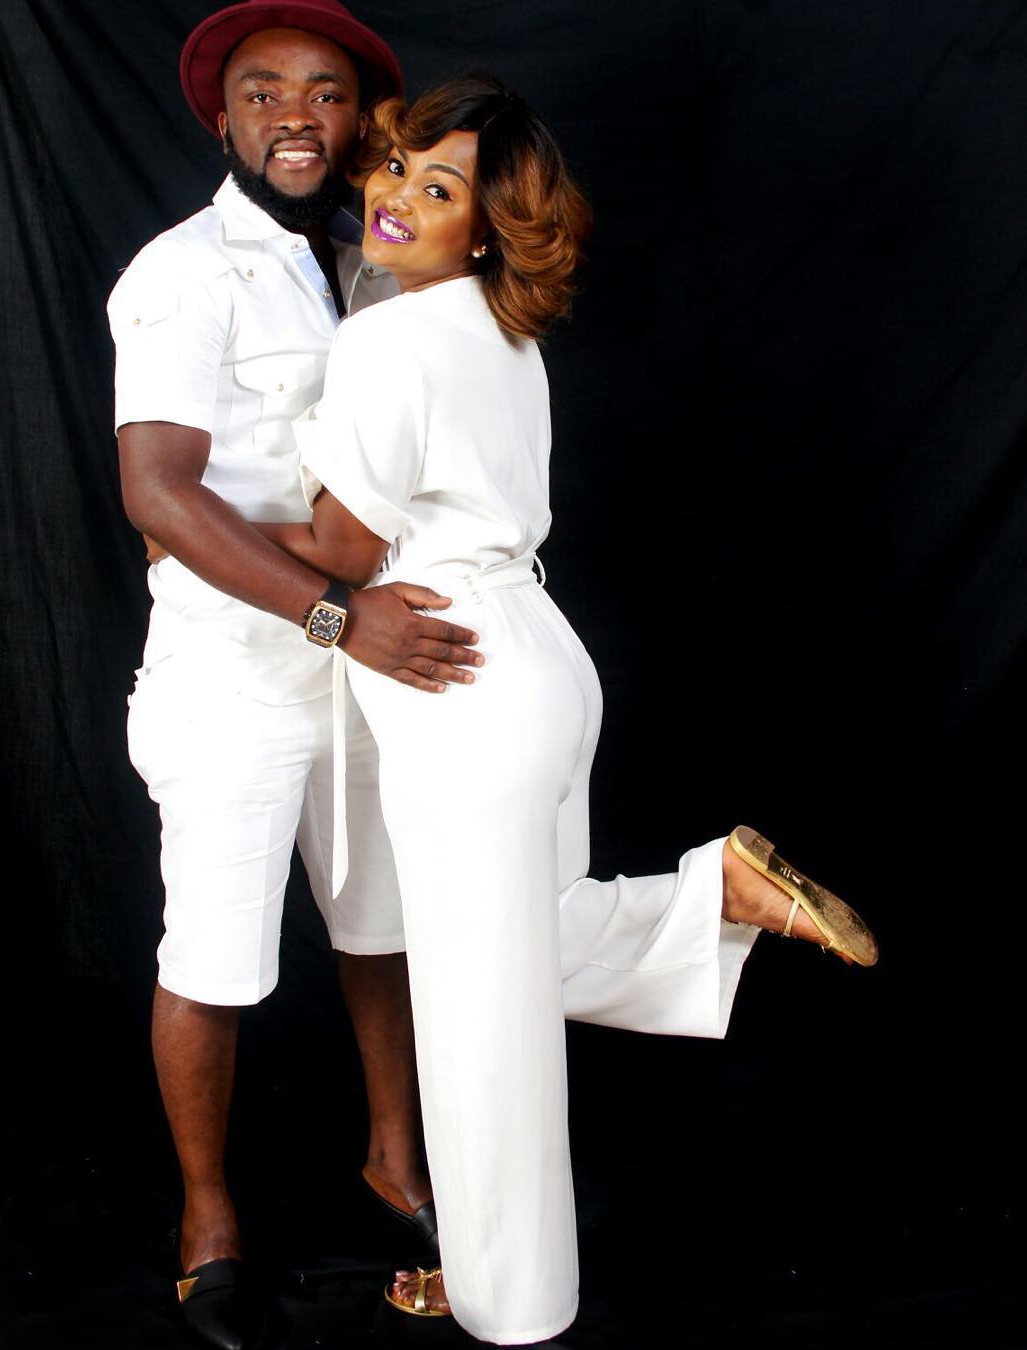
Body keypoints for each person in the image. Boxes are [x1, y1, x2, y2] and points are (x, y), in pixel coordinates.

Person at [254, 74, 879, 1344]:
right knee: (520, 953)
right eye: (398, 166)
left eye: (440, 187)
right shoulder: (500, 335)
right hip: (539, 659)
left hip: (458, 680)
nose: (396, 196)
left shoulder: (391, 339)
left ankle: (507, 1308)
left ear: (487, 230)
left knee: (479, 1013)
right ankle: (711, 896)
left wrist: (199, 532)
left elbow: (343, 550)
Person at [106, 4, 476, 1346]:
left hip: (370, 664)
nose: (295, 117)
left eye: (324, 93)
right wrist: (336, 613)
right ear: (225, 121)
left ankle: (395, 1162)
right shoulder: (183, 272)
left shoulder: (378, 258)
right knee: (212, 950)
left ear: (358, 120)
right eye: (264, 94)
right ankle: (208, 1218)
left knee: (384, 925)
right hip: (239, 677)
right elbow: (159, 492)